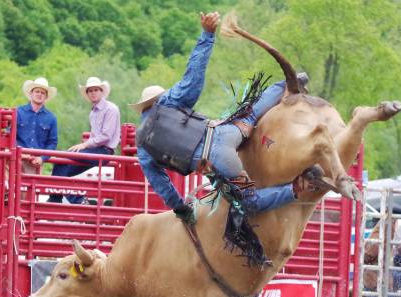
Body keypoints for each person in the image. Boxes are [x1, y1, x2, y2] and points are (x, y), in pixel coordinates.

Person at [132, 12, 313, 225]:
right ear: (158, 98)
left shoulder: (142, 148)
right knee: (251, 112)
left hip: (219, 162)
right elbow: (193, 79)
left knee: (249, 201)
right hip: (226, 133)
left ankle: (295, 188)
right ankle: (287, 84)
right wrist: (207, 35)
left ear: (144, 107)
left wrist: (181, 209)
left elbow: (161, 184)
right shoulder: (168, 102)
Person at [47, 77, 120, 204]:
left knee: (64, 158)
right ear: (87, 94)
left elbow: (106, 136)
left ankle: (60, 198)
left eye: (96, 90)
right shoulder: (93, 113)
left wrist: (85, 144)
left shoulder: (111, 109)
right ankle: (64, 198)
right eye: (90, 90)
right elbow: (96, 136)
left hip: (104, 152)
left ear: (101, 92)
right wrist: (86, 146)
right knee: (61, 165)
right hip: (94, 151)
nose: (93, 92)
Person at [362, 219, 396, 297]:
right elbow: (370, 254)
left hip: (377, 275)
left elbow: (367, 256)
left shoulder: (379, 236)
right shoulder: (380, 237)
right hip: (375, 276)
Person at [16, 77, 58, 173]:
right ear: (31, 93)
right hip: (16, 159)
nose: (39, 94)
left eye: (42, 93)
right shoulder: (18, 112)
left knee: (32, 187)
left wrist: (42, 158)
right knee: (10, 186)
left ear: (46, 97)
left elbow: (52, 143)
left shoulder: (51, 118)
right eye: (37, 91)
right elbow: (10, 135)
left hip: (35, 163)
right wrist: (20, 153)